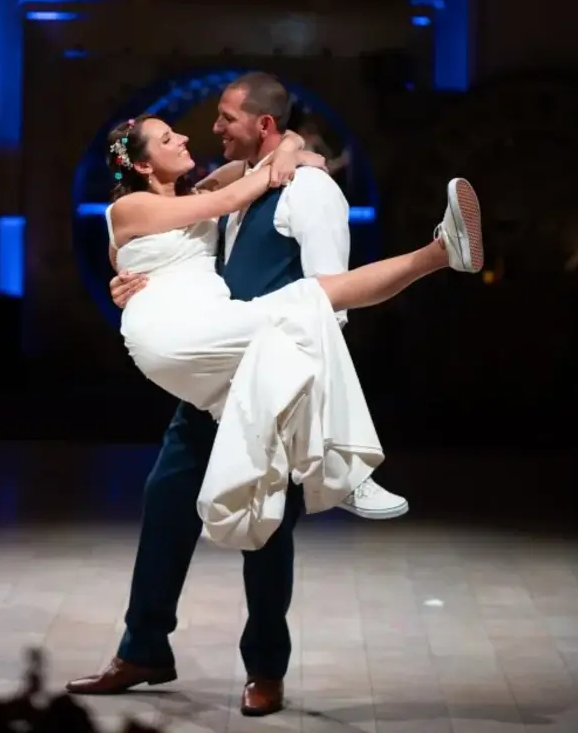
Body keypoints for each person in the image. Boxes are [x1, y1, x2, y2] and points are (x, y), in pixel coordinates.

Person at [67, 74, 482, 715]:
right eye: (180, 132)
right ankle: (144, 646)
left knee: (267, 525)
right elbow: (219, 198)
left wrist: (298, 156)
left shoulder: (303, 190)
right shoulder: (218, 189)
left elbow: (329, 288)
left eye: (225, 118)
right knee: (166, 501)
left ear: (259, 124)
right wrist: (285, 153)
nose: (208, 129)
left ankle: (266, 669)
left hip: (265, 368)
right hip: (218, 360)